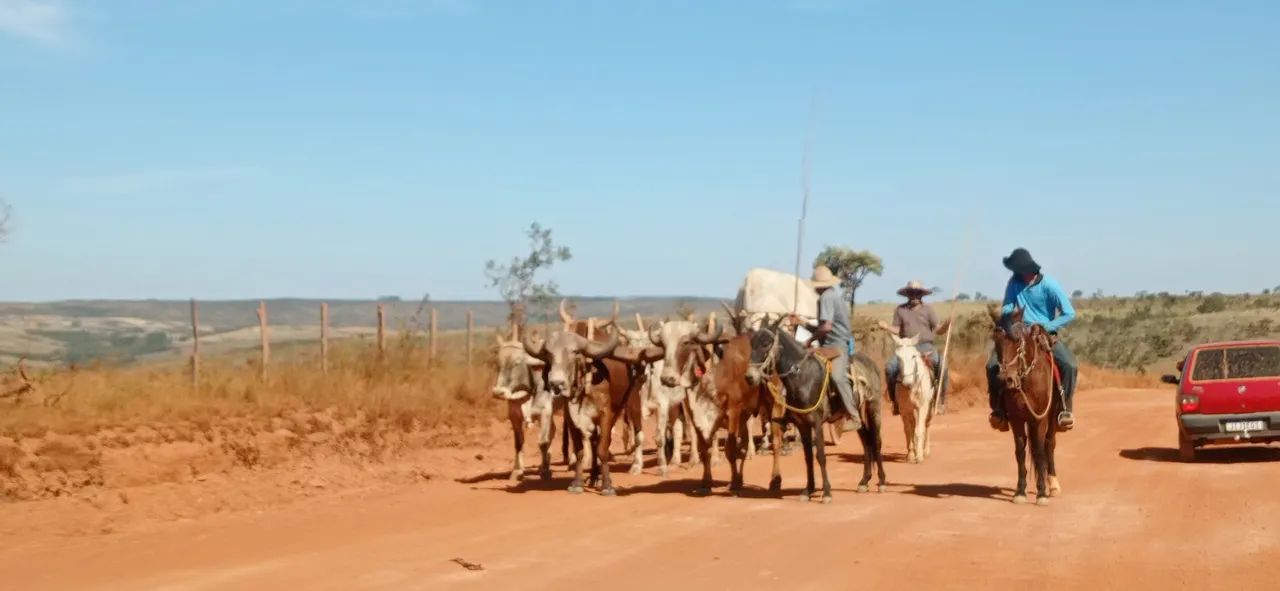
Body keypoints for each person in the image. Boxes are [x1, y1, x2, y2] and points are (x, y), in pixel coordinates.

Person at [987, 248, 1079, 432]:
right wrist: (1011, 318)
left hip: (1044, 334)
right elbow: (1007, 307)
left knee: (1070, 365)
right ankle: (999, 410)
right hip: (1017, 334)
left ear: (1028, 269)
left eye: (1017, 270)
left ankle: (1064, 409)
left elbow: (1069, 313)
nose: (1015, 273)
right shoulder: (1013, 283)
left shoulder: (1049, 286)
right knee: (992, 365)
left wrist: (1047, 326)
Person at [794, 266, 862, 432]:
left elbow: (826, 327)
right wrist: (801, 322)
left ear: (818, 285)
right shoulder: (828, 296)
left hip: (837, 345)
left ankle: (854, 416)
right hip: (825, 345)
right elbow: (822, 328)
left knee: (837, 377)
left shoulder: (826, 297)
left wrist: (809, 340)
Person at [880, 280, 951, 415]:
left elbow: (938, 330)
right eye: (911, 293)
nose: (914, 296)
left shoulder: (928, 309)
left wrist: (946, 326)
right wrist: (886, 327)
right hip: (906, 347)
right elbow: (896, 329)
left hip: (926, 347)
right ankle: (895, 403)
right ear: (907, 294)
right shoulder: (900, 310)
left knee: (942, 365)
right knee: (890, 367)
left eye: (917, 293)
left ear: (921, 295)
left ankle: (940, 401)